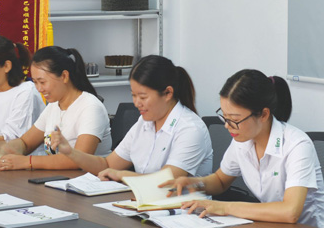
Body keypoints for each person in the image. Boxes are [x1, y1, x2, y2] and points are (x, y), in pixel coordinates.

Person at [164, 69, 324, 227]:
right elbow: (220, 181)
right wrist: (193, 183)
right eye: (225, 117)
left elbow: (290, 212)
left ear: (264, 114)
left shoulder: (297, 145)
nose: (227, 126)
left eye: (235, 120)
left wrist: (225, 207)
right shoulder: (242, 140)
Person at [46, 55, 212, 181]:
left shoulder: (190, 129)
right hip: (146, 206)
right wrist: (71, 153)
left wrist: (123, 176)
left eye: (143, 96)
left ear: (168, 93)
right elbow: (107, 165)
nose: (137, 103)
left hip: (185, 212)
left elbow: (166, 182)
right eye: (133, 95)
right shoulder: (144, 123)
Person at [0, 45, 110, 170]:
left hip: (89, 179)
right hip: (57, 178)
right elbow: (26, 143)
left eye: (42, 82)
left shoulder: (90, 107)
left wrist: (27, 161)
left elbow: (80, 160)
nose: (39, 89)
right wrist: (9, 149)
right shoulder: (53, 106)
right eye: (35, 82)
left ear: (64, 76)